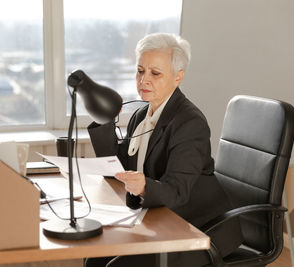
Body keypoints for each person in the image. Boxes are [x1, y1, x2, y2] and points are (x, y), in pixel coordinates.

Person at [86, 33, 242, 267]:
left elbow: (178, 192)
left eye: (155, 73)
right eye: (140, 71)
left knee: (117, 265)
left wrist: (144, 186)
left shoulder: (190, 123)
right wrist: (104, 120)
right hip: (161, 217)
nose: (144, 80)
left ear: (178, 77)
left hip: (197, 228)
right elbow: (118, 168)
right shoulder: (141, 114)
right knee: (96, 258)